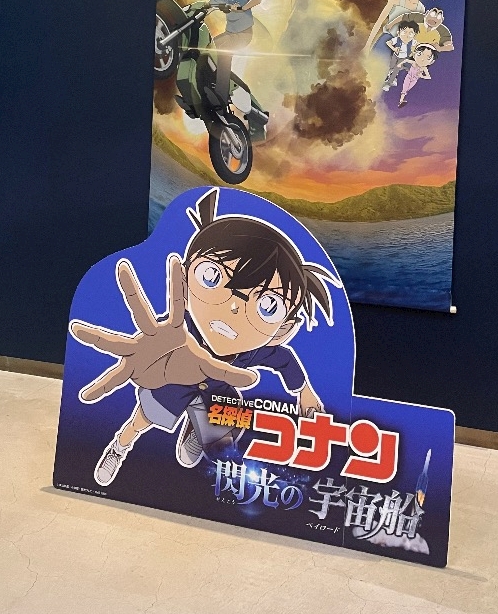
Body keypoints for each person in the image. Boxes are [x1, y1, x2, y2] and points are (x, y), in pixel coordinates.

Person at [70, 188, 335, 486]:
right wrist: (149, 353)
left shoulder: (255, 350)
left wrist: (304, 391)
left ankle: (197, 430)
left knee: (234, 421)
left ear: (283, 329)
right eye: (213, 276)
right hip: (172, 385)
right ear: (184, 280)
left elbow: (285, 360)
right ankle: (120, 446)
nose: (234, 306)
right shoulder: (178, 329)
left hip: (216, 395)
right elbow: (159, 339)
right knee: (142, 420)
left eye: (268, 305)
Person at [206, 0, 260, 106]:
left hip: (244, 34)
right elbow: (208, 6)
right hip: (229, 33)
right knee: (208, 47)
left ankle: (221, 98)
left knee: (223, 52)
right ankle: (210, 84)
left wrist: (242, 8)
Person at [382, 19, 419, 91]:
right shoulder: (397, 39)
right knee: (392, 67)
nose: (407, 35)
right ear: (398, 33)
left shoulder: (413, 42)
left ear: (414, 35)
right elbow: (388, 43)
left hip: (403, 58)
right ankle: (392, 75)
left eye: (410, 33)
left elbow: (419, 46)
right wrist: (394, 48)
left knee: (396, 69)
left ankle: (388, 83)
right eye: (404, 32)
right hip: (395, 56)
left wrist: (414, 52)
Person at [397, 44, 437, 108]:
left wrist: (422, 76)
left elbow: (429, 77)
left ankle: (401, 100)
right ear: (414, 54)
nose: (422, 59)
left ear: (431, 62)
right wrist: (400, 64)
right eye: (419, 54)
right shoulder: (414, 63)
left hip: (414, 80)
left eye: (428, 58)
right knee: (405, 88)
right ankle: (401, 101)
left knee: (407, 89)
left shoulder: (424, 68)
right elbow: (406, 60)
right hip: (409, 77)